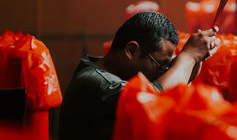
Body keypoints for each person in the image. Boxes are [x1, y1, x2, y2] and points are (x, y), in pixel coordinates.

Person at [58, 11, 219, 140]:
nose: (161, 72)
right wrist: (188, 57)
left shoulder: (99, 70)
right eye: (160, 65)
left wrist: (193, 61)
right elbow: (151, 102)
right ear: (132, 51)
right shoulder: (100, 84)